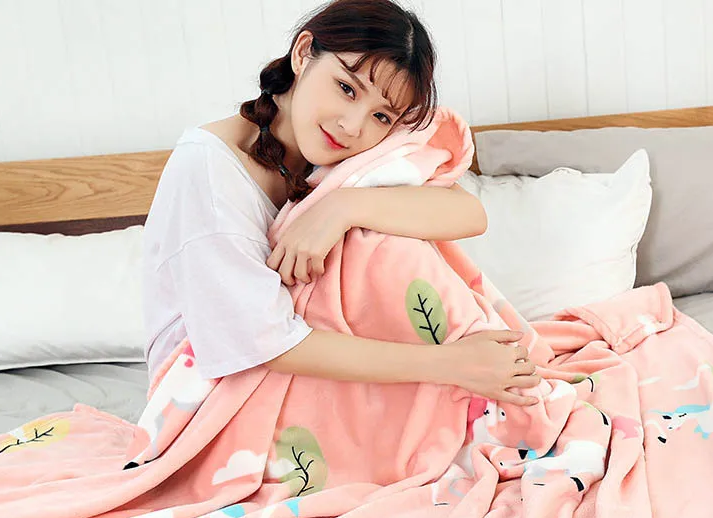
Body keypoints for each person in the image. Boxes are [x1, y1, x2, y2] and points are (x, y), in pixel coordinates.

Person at [142, 0, 540, 406]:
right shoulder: (209, 170)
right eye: (346, 89)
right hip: (215, 391)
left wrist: (344, 207)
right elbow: (264, 341)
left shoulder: (340, 161)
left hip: (311, 373)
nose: (352, 126)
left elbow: (469, 213)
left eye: (382, 116)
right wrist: (452, 364)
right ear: (303, 54)